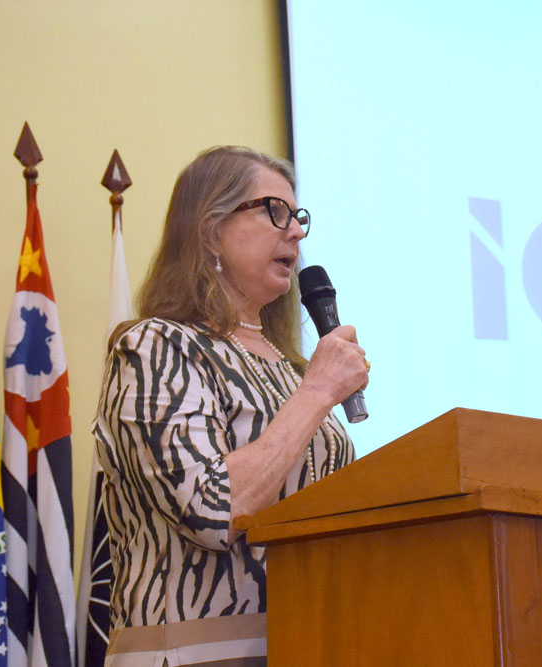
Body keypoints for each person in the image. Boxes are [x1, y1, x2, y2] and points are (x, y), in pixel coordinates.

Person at [92, 146, 368, 666]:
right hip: (199, 652)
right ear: (208, 228)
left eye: (298, 216)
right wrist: (316, 393)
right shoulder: (156, 348)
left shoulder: (287, 368)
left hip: (310, 642)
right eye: (274, 211)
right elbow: (211, 509)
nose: (296, 232)